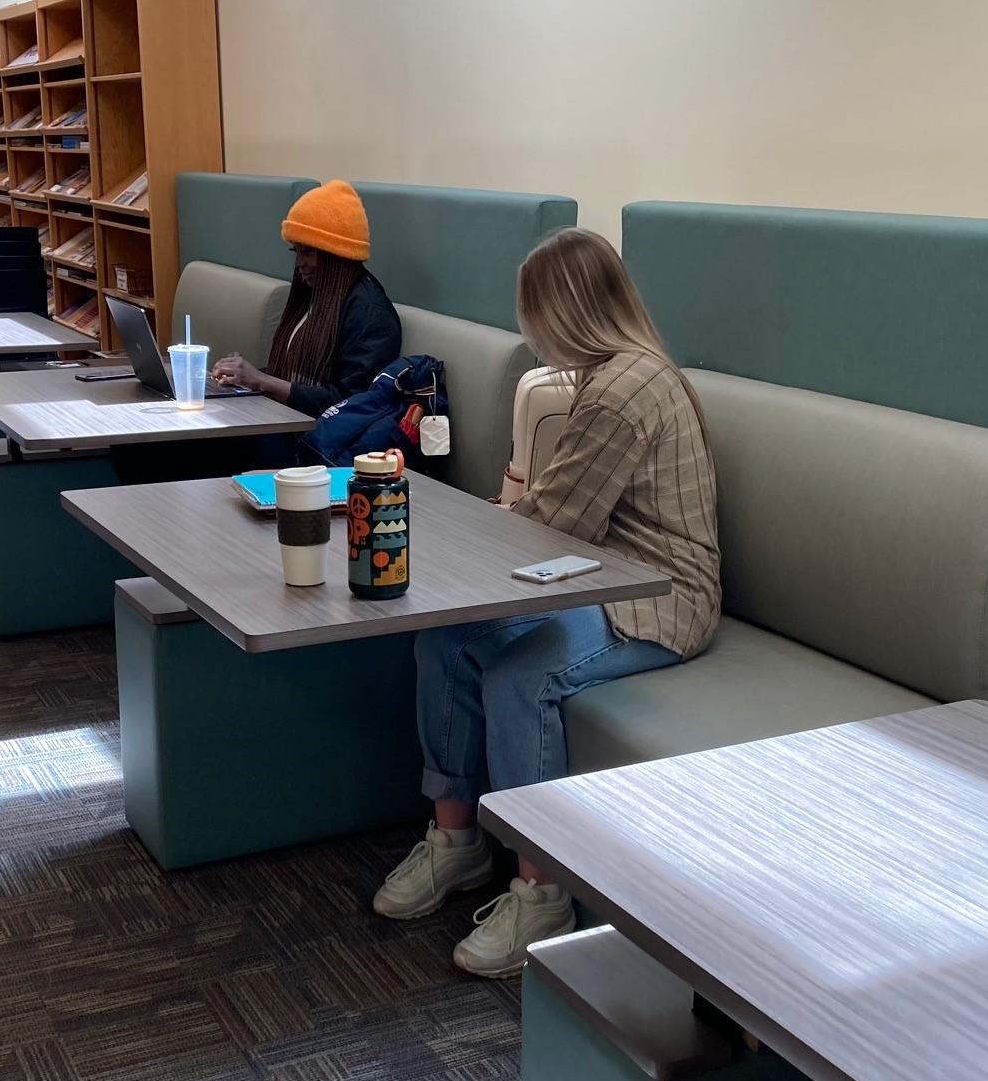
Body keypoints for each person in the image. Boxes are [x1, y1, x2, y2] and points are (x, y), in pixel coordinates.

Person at [371, 228, 722, 978]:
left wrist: (462, 530)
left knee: (520, 673)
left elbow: (556, 523)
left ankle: (543, 886)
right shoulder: (610, 376)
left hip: (660, 595)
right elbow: (559, 520)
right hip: (602, 573)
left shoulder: (625, 391)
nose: (528, 332)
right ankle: (457, 839)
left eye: (532, 312)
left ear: (564, 311)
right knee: (446, 638)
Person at [211, 179, 402, 415]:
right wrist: (243, 377)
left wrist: (261, 380)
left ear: (336, 254)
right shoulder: (313, 294)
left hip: (317, 440)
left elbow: (350, 403)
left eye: (308, 252)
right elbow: (295, 375)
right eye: (296, 251)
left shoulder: (369, 312)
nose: (299, 263)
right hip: (285, 420)